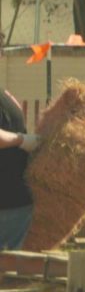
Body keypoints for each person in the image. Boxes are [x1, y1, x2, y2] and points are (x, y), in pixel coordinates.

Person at [0, 90, 39, 250]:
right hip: (19, 199)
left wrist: (22, 140)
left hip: (11, 202)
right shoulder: (7, 95)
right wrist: (24, 140)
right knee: (14, 269)